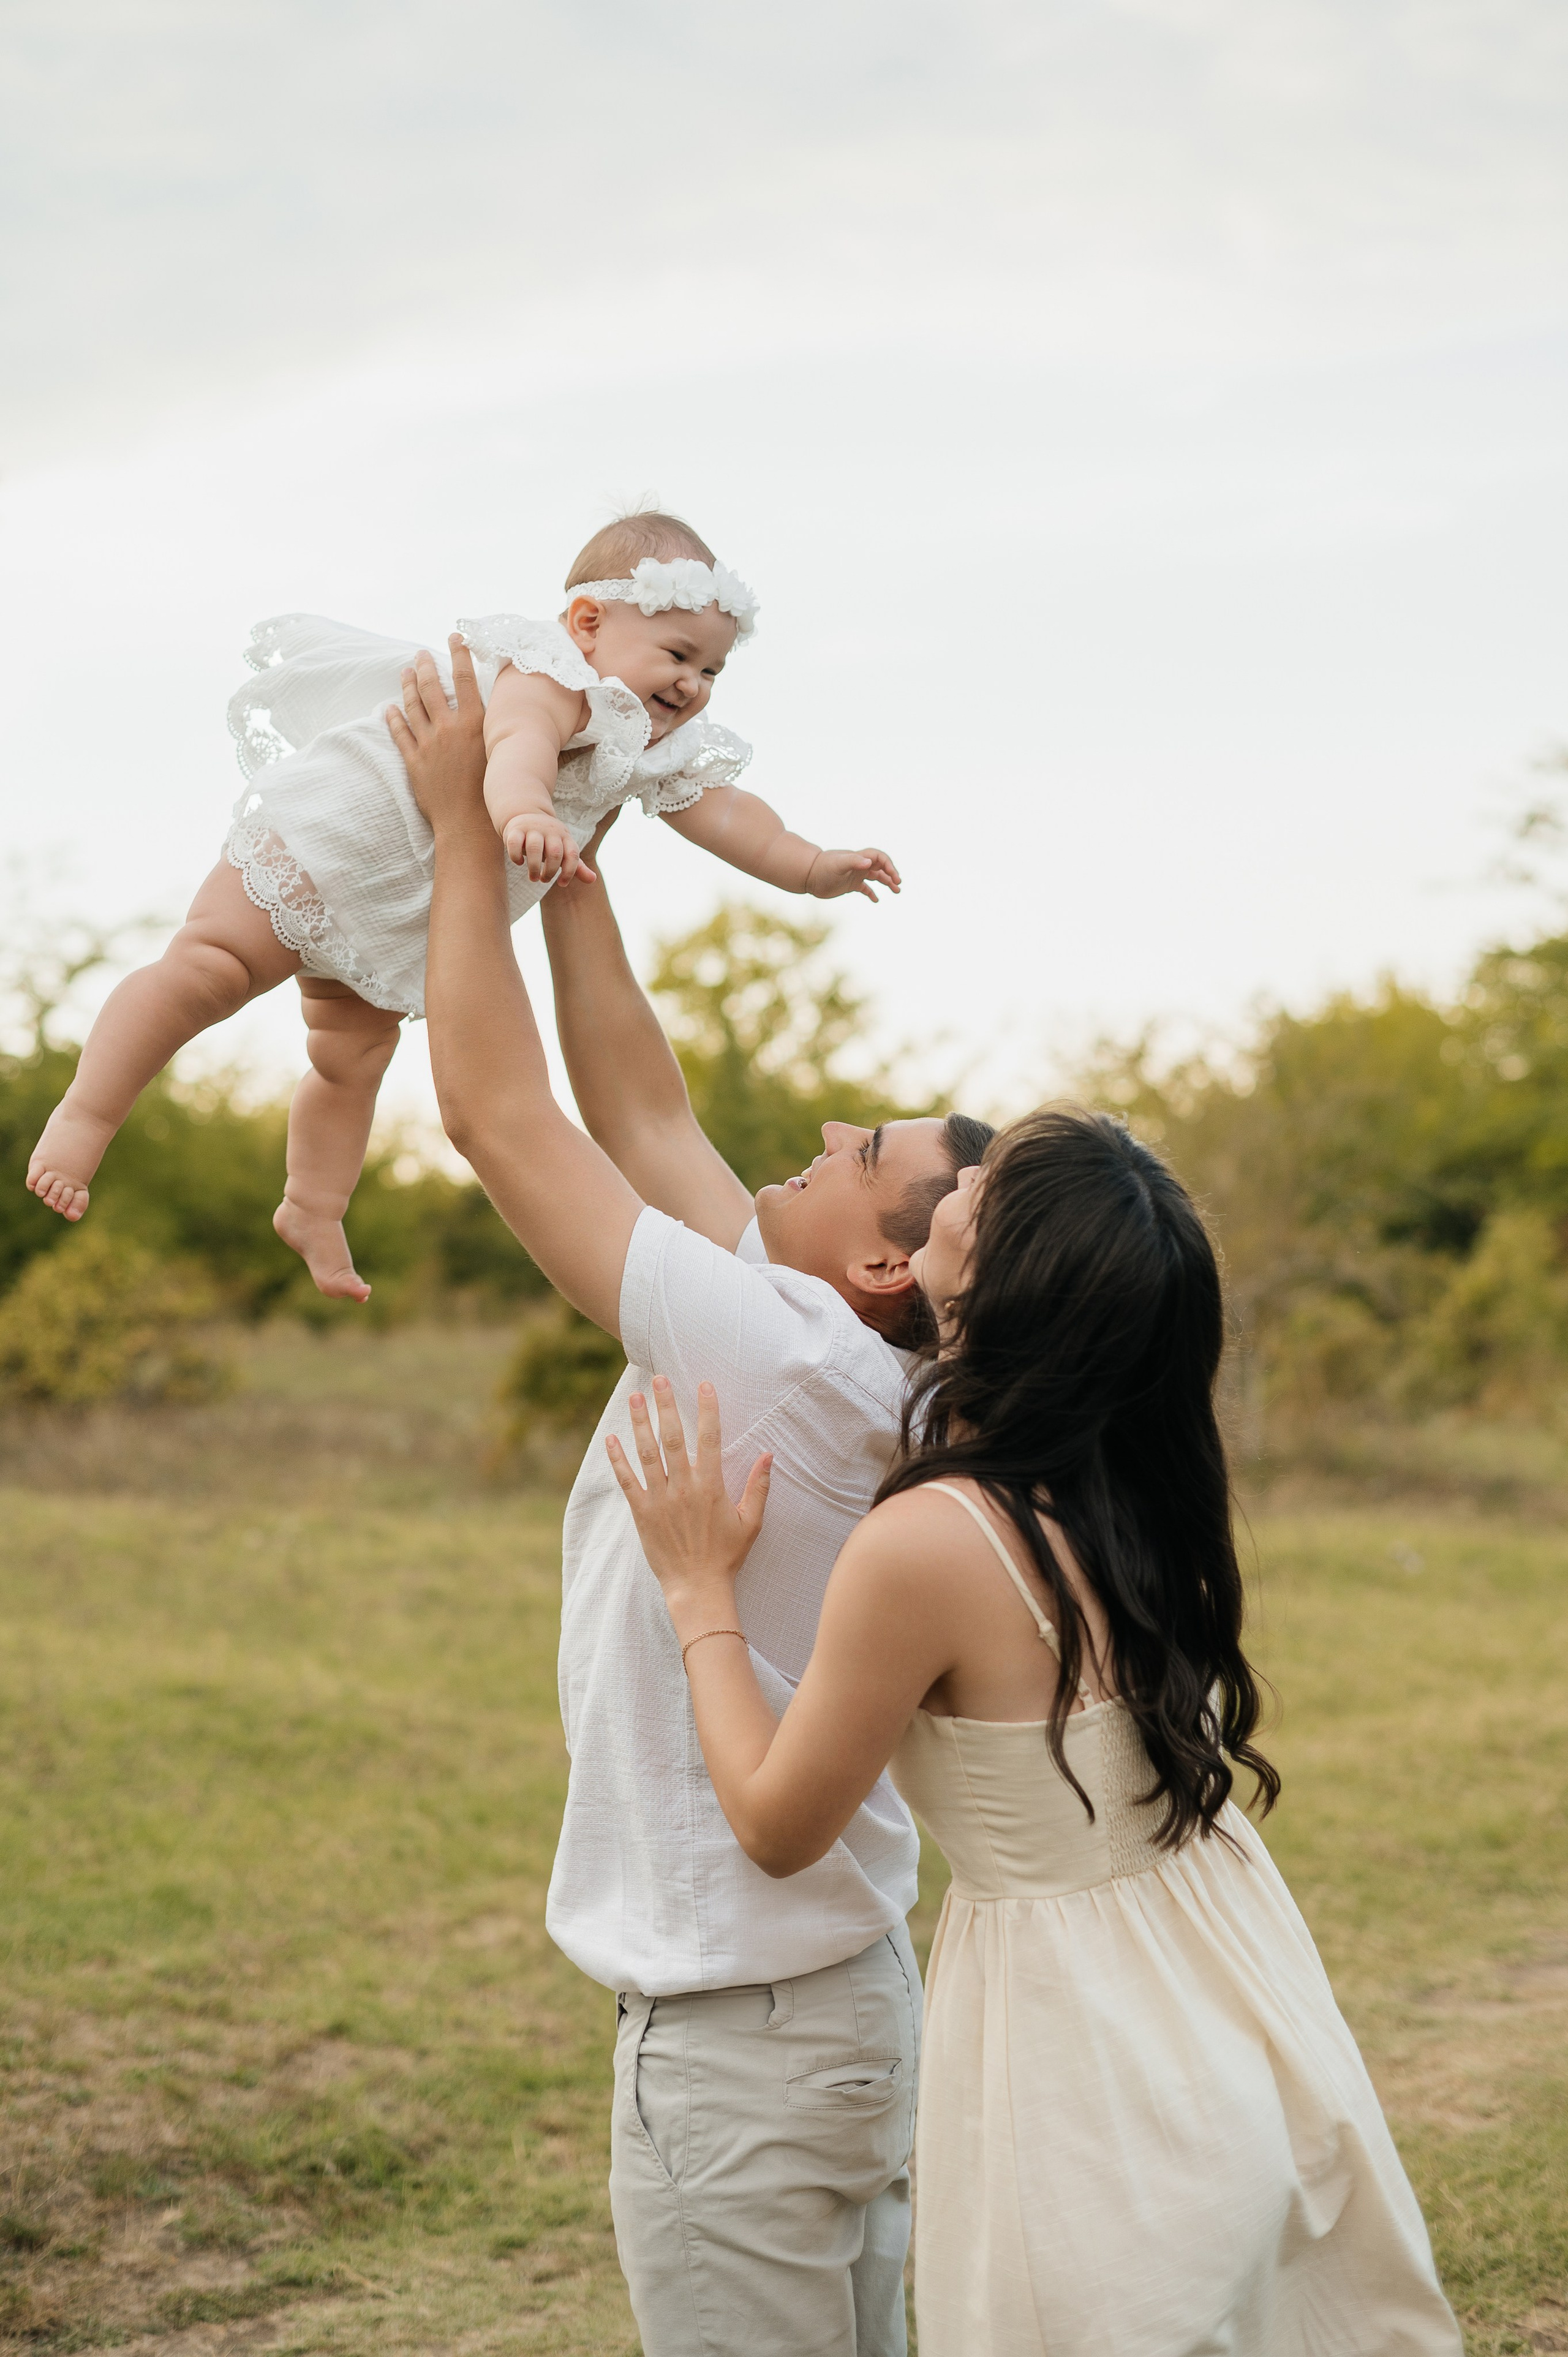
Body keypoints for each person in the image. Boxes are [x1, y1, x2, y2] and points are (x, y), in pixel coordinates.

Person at [608, 1107, 1465, 2357]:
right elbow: (651, 1118)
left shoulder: (927, 1541)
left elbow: (776, 1822)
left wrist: (697, 1595)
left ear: (998, 1278)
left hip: (1082, 2034)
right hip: (1215, 1970)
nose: (956, 1185)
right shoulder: (1133, 1488)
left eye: (982, 1190)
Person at [386, 638, 991, 2357]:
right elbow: (635, 1096)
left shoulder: (779, 1353)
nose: (819, 1124)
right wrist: (575, 842)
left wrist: (453, 825)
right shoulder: (839, 1351)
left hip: (738, 2032)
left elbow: (504, 1119)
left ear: (885, 1256)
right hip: (842, 2002)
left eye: (859, 1149)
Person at [26, 508, 897, 1301]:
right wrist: (524, 811)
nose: (694, 685)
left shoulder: (654, 745)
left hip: (409, 915)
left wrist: (811, 865)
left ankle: (312, 1205)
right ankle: (86, 1114)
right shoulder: (548, 673)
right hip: (330, 850)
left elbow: (730, 815)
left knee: (350, 1061)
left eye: (712, 668)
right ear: (589, 625)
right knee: (205, 971)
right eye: (677, 656)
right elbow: (517, 745)